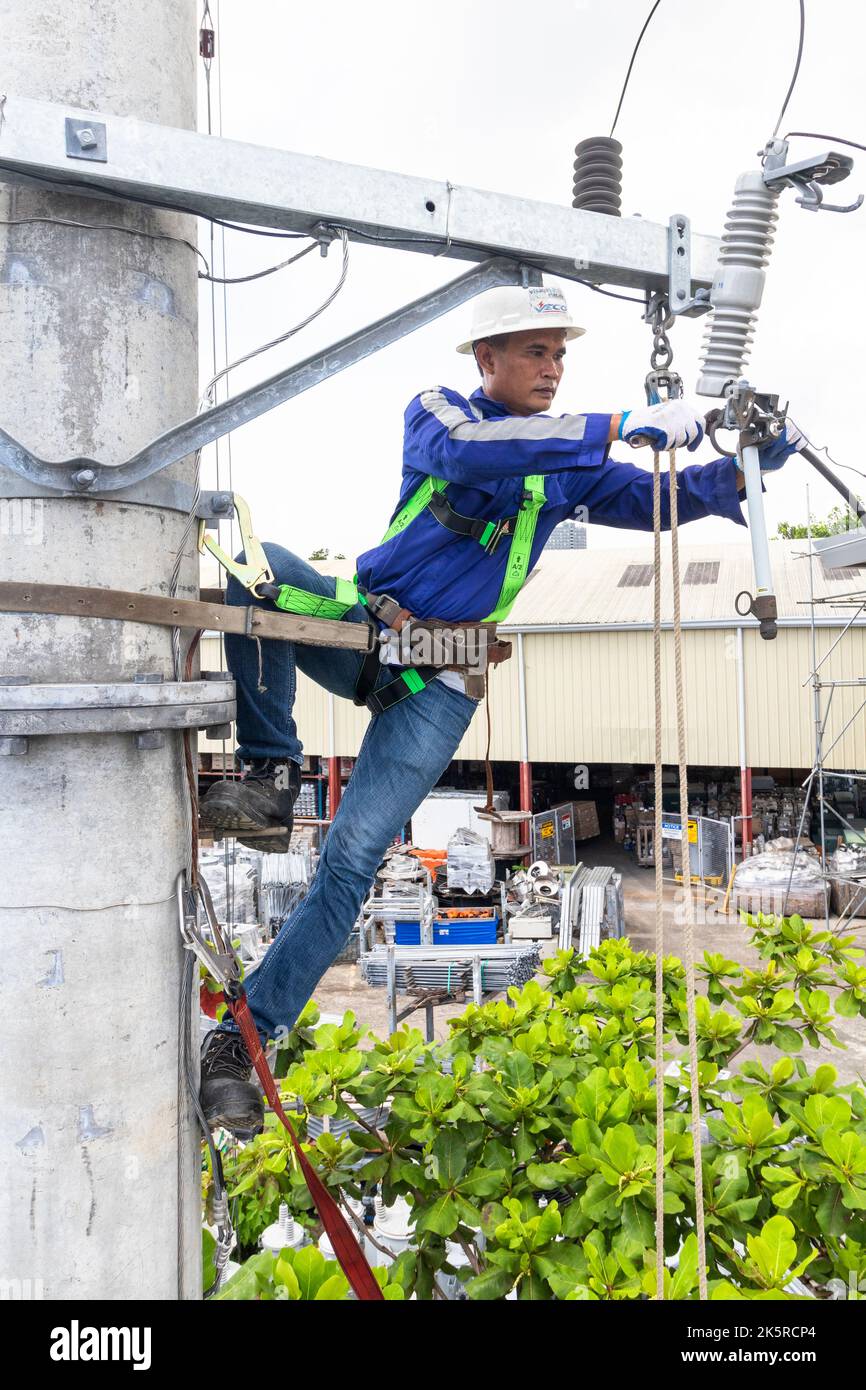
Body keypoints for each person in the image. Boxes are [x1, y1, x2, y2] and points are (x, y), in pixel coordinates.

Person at [197, 284, 804, 1137]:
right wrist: (621, 422)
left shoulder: (568, 468)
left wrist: (751, 462)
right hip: (368, 630)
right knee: (253, 573)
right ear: (488, 361)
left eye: (560, 353)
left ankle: (244, 1038)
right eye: (536, 352)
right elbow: (472, 453)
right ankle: (269, 766)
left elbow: (662, 500)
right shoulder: (440, 413)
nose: (553, 367)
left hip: (440, 683)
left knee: (349, 862)